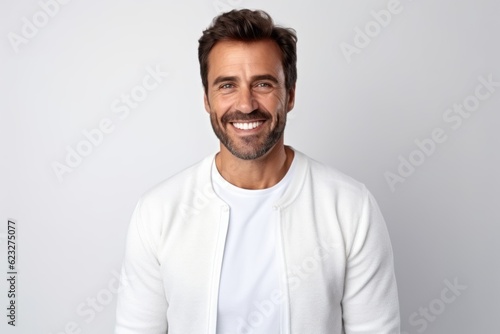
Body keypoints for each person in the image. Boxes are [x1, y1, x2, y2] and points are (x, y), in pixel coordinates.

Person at [115, 9, 400, 334]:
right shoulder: (157, 212)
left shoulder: (351, 209)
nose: (246, 104)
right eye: (227, 86)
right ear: (207, 99)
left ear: (290, 94)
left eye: (263, 84)